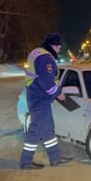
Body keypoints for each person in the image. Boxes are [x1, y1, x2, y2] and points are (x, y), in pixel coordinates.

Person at [19, 33, 73, 170]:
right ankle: (26, 161)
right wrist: (58, 94)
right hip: (39, 97)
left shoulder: (38, 53)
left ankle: (55, 158)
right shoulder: (44, 58)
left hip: (37, 95)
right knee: (36, 129)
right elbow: (47, 82)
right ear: (54, 45)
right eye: (59, 46)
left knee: (48, 128)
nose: (60, 49)